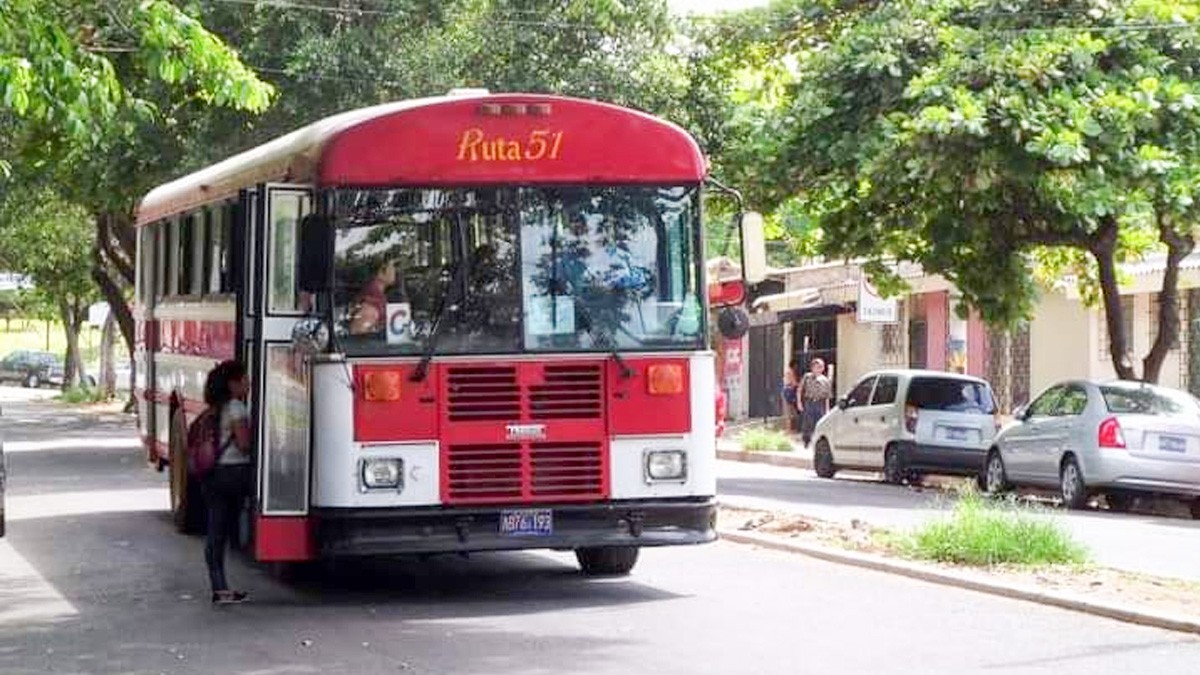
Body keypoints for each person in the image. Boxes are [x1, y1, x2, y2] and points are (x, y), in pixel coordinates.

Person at [202, 360, 252, 605]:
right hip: (234, 474)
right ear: (233, 383)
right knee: (233, 526)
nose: (248, 383)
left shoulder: (213, 408)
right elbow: (244, 445)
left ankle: (219, 587)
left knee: (215, 531)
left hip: (212, 475)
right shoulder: (237, 409)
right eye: (244, 379)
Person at [348, 259, 398, 335]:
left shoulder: (379, 294)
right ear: (380, 272)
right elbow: (358, 332)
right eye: (391, 268)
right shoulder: (371, 298)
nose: (394, 272)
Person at [796, 357, 832, 447]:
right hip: (810, 402)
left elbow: (827, 396)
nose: (818, 369)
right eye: (816, 367)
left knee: (820, 423)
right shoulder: (807, 377)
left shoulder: (825, 380)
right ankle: (806, 441)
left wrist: (827, 409)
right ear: (812, 368)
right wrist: (799, 402)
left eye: (820, 367)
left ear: (823, 368)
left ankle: (818, 442)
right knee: (808, 423)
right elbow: (799, 389)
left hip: (820, 403)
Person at [782, 360, 800, 433]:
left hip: (787, 390)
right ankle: (789, 429)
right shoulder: (790, 371)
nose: (797, 367)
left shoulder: (787, 371)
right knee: (790, 411)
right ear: (794, 365)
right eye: (796, 365)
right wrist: (801, 384)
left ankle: (789, 429)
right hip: (790, 391)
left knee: (790, 410)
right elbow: (794, 383)